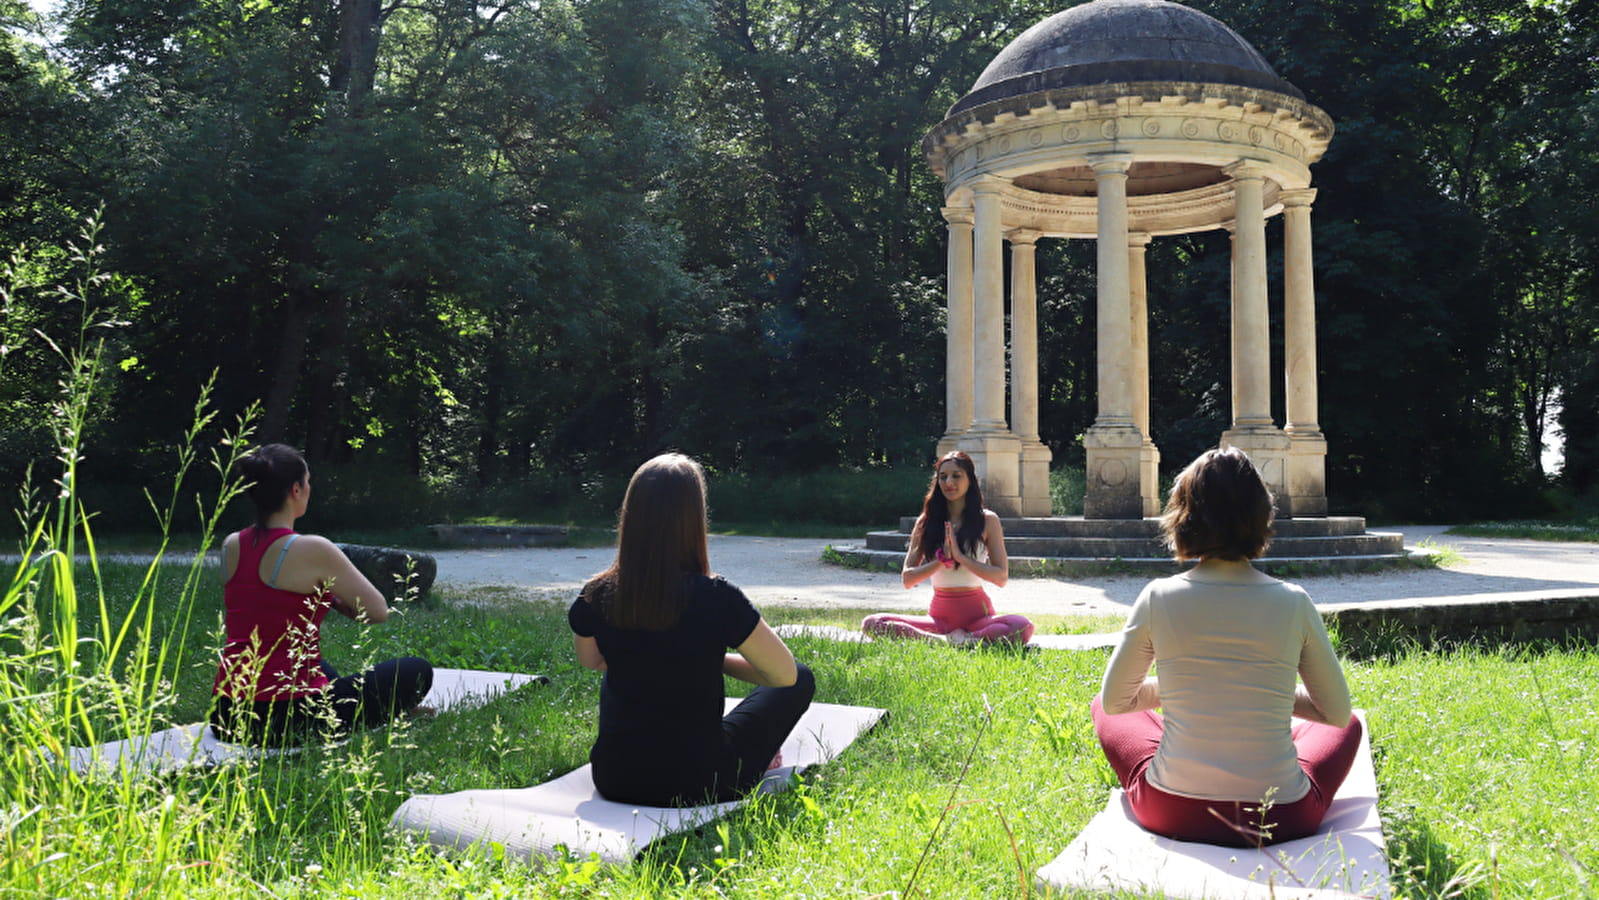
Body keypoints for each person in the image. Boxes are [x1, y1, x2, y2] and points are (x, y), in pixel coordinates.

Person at [1092, 447, 1362, 846]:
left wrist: (1197, 687)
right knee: (1352, 724)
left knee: (1103, 706)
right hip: (1279, 817)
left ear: (1182, 517)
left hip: (1171, 810)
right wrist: (1256, 688)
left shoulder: (1158, 596)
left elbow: (1117, 703)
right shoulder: (1293, 601)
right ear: (1261, 516)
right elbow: (1336, 713)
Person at [569, 453, 815, 806]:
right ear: (694, 520)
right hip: (700, 782)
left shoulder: (596, 595)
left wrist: (660, 655)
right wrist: (708, 657)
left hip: (614, 778)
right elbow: (784, 675)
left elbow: (592, 660)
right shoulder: (717, 598)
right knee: (803, 676)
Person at [210, 443, 433, 745]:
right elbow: (378, 611)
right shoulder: (313, 548)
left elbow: (265, 604)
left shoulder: (231, 544)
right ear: (296, 490)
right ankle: (376, 712)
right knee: (416, 671)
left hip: (226, 714)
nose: (309, 488)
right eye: (308, 481)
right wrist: (339, 603)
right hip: (285, 719)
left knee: (319, 666)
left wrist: (327, 599)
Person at [862, 451, 1033, 646]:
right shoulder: (925, 522)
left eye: (956, 475)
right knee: (873, 623)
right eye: (943, 477)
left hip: (979, 619)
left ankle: (966, 639)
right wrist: (940, 561)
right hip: (939, 619)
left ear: (970, 480)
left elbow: (1001, 577)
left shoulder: (988, 520)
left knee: (1022, 626)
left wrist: (961, 557)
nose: (948, 482)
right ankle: (946, 641)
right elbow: (908, 579)